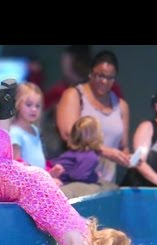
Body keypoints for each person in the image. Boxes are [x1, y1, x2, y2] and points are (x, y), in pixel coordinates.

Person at [0, 79, 141, 245]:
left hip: (40, 186)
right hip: (35, 189)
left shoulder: (88, 228)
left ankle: (4, 105)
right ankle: (4, 106)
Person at [56, 50, 131, 184]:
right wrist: (104, 151)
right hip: (75, 180)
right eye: (99, 75)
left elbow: (123, 146)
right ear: (90, 73)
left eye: (110, 78)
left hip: (107, 182)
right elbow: (68, 134)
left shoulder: (121, 105)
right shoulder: (74, 95)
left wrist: (129, 158)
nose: (104, 81)